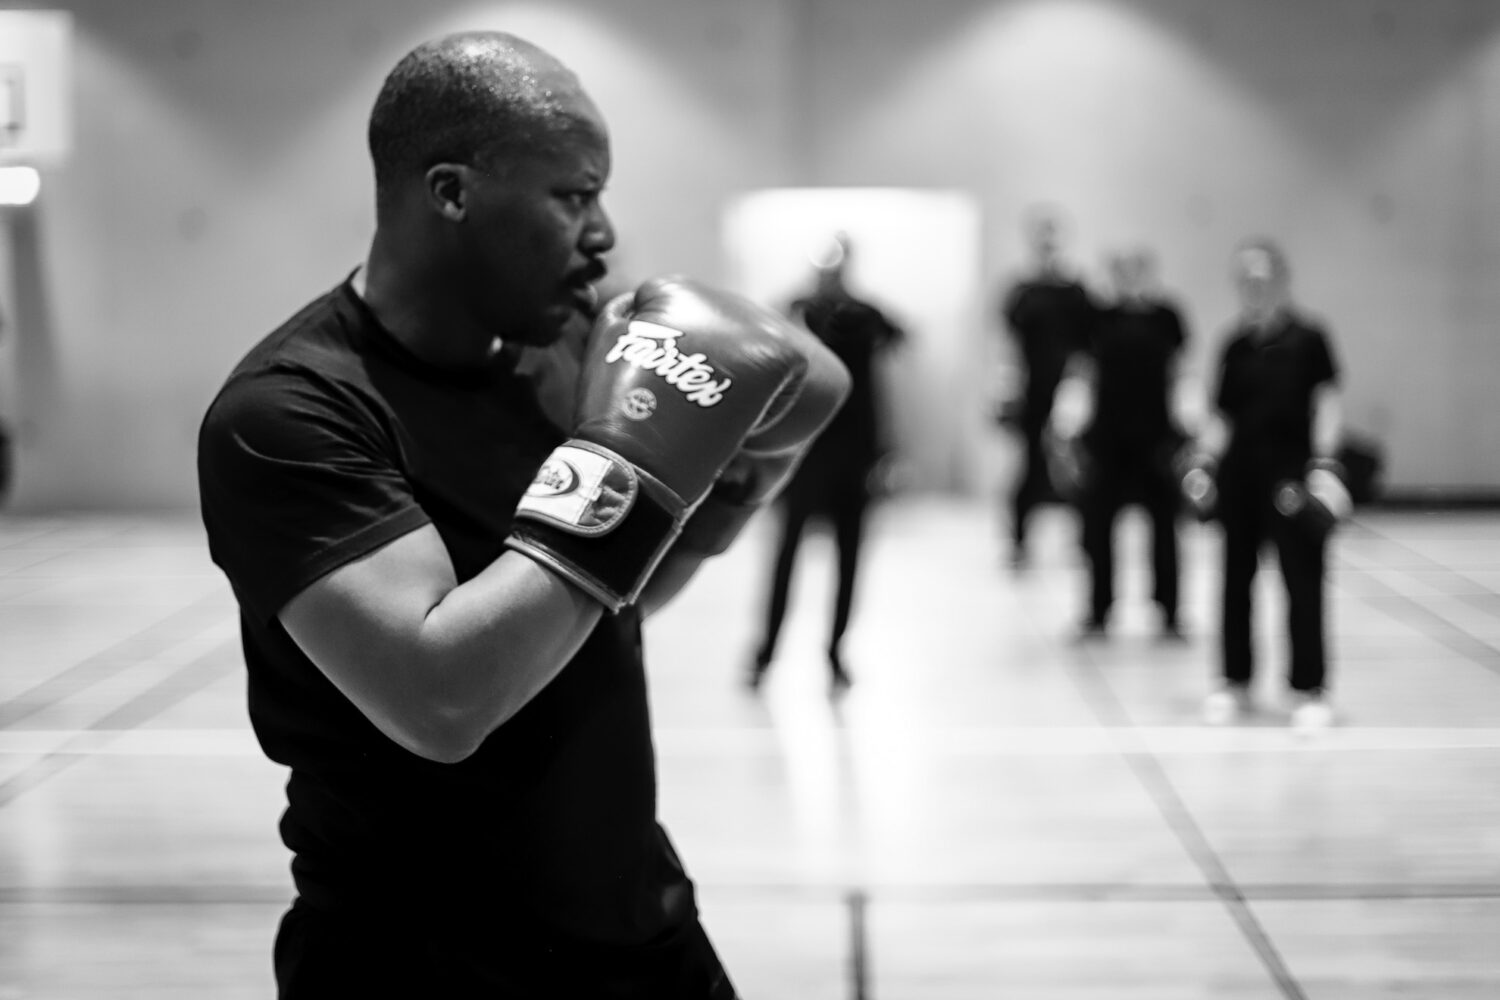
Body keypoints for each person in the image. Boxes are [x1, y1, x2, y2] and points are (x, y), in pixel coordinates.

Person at [196, 32, 848, 998]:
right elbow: (443, 698)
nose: (604, 236)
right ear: (452, 192)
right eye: (574, 195)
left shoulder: (578, 345)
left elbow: (603, 607)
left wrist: (728, 487)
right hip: (416, 967)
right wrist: (629, 461)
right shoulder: (292, 413)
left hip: (638, 931)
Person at [1194, 238, 1346, 730]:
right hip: (1241, 478)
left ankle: (1310, 689)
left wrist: (1323, 465)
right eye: (1244, 280)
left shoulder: (1309, 339)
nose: (1253, 288)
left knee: (1302, 585)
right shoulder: (1234, 345)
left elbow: (1325, 403)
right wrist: (1202, 463)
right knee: (1234, 582)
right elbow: (1221, 416)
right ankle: (1233, 680)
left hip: (1292, 477)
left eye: (1261, 279)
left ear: (1280, 280)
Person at [747, 233, 904, 693]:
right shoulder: (796, 309)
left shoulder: (865, 315)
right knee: (787, 553)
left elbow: (899, 338)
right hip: (804, 451)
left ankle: (836, 652)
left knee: (849, 555)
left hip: (854, 452)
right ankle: (766, 651)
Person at [1066, 248, 1188, 639]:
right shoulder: (1098, 319)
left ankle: (1169, 611)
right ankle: (1099, 609)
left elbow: (1182, 371)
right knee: (1098, 528)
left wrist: (1190, 422)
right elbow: (1082, 371)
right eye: (1124, 272)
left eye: (1138, 272)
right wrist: (1067, 420)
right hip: (1107, 438)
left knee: (1165, 530)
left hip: (1157, 438)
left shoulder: (1167, 317)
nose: (1131, 280)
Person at [998, 207, 1094, 568]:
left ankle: (1085, 542)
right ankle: (1020, 540)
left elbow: (1088, 346)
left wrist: (1079, 390)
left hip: (1067, 391)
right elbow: (1008, 345)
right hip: (1032, 389)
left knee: (1075, 467)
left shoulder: (1076, 292)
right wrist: (1006, 389)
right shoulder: (1021, 292)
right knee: (1030, 465)